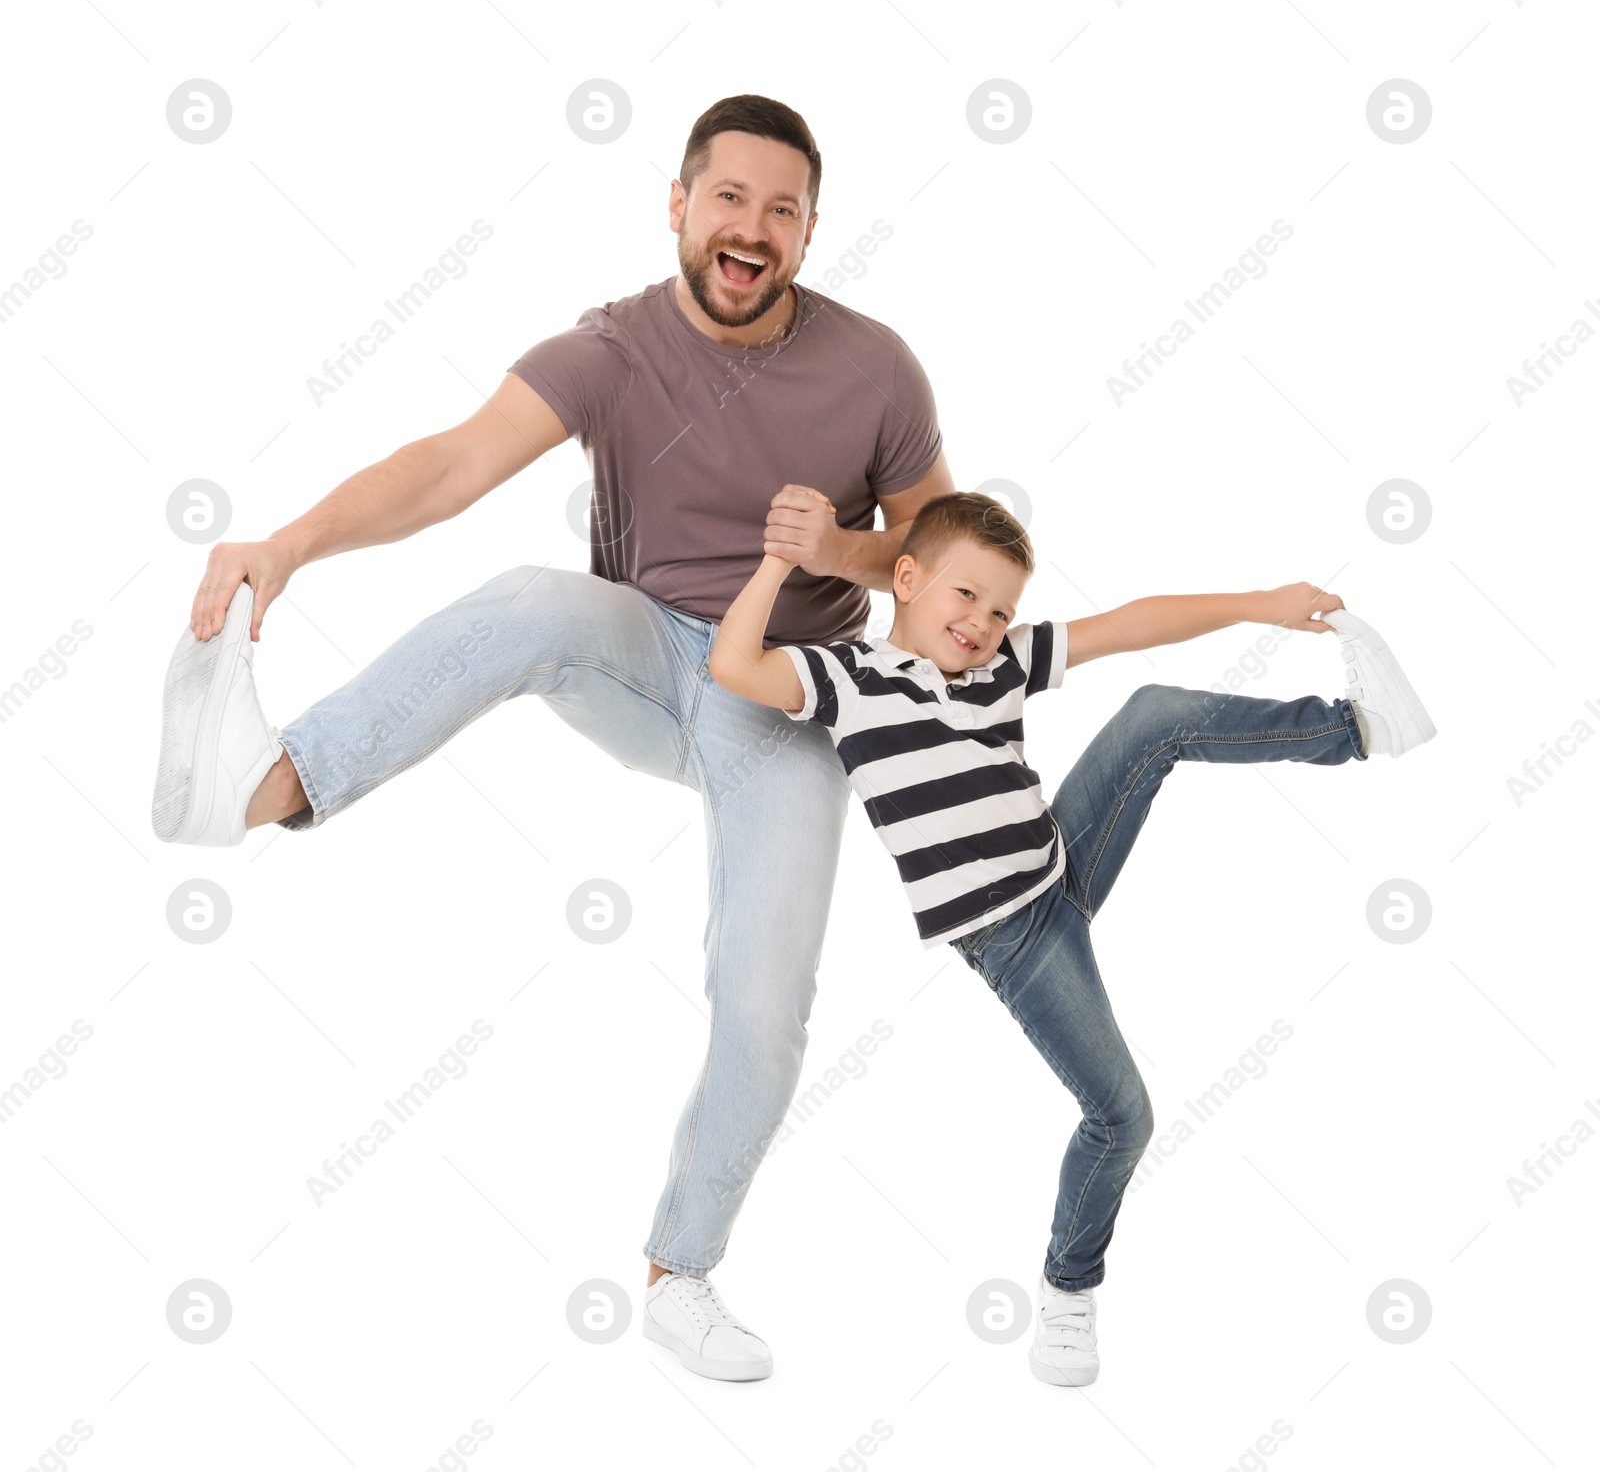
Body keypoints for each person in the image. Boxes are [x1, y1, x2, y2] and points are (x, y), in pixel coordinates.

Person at [148, 94, 960, 1382]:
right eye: (729, 199)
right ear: (681, 207)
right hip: (639, 650)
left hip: (794, 694)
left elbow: (938, 557)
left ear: (810, 231)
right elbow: (452, 465)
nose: (752, 229)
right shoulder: (613, 348)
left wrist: (844, 552)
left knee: (767, 1002)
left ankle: (680, 1271)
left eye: (783, 209)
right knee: (531, 597)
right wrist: (286, 545)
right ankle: (270, 780)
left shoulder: (878, 370)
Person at [708, 488, 1435, 1385]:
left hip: (1061, 856)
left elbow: (1132, 624)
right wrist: (786, 558)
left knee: (1152, 712)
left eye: (1003, 607)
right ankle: (1067, 1289)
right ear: (908, 578)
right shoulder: (848, 679)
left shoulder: (1003, 665)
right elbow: (735, 664)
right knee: (1122, 1113)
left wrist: (1261, 605)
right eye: (965, 595)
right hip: (1009, 934)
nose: (983, 622)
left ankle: (1355, 728)